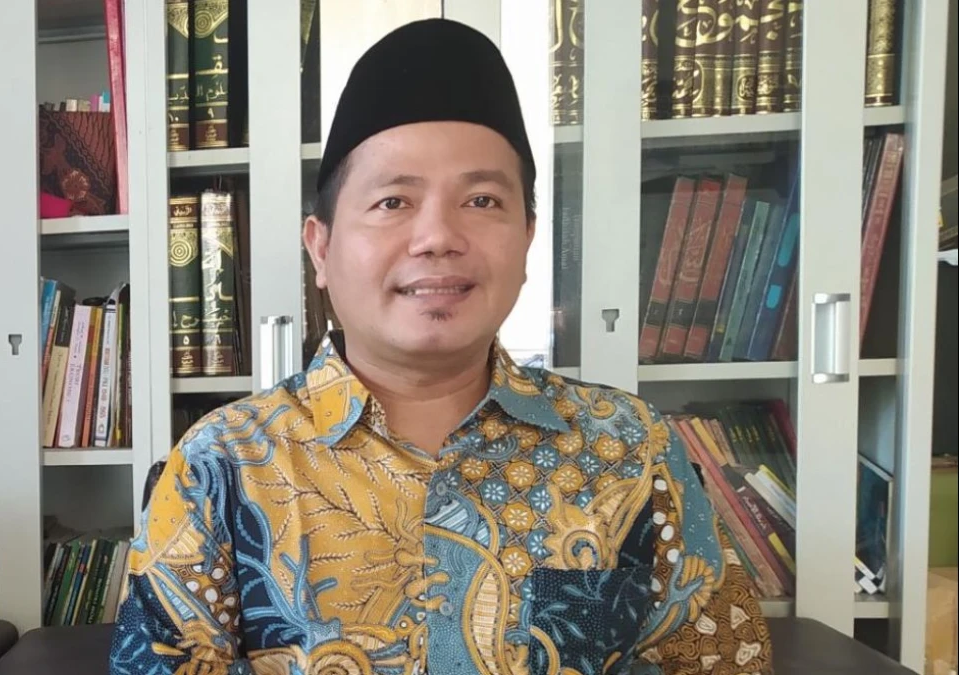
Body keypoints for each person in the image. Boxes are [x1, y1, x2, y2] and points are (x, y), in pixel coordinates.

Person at [111, 18, 773, 675]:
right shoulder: (222, 464)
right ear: (321, 246)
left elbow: (716, 662)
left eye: (481, 200)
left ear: (527, 238)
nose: (437, 237)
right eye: (393, 201)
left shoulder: (629, 446)